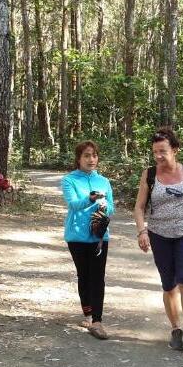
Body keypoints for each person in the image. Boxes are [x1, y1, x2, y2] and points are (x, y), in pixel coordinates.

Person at [133, 128, 183, 352]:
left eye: (163, 151)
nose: (158, 156)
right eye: (155, 151)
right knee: (168, 284)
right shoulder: (149, 175)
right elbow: (139, 207)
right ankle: (175, 329)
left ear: (175, 150)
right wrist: (142, 231)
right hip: (159, 235)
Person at [61, 140, 115, 340]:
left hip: (100, 235)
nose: (91, 159)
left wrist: (104, 208)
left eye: (94, 155)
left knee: (98, 277)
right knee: (83, 276)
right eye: (86, 155)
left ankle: (98, 321)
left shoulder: (104, 181)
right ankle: (88, 313)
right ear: (78, 158)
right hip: (77, 236)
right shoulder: (69, 180)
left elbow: (111, 207)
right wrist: (90, 200)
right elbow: (74, 205)